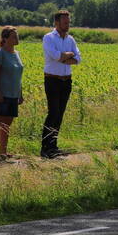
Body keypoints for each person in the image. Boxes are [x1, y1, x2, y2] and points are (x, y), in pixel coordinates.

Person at [41, 9, 81, 158]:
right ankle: (46, 148)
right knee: (53, 113)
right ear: (56, 22)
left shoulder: (70, 39)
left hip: (66, 81)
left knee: (60, 114)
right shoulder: (49, 38)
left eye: (69, 22)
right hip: (52, 80)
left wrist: (66, 56)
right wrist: (67, 56)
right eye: (65, 22)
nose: (68, 25)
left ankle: (53, 146)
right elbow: (56, 56)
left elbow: (78, 59)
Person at [0, 27, 25, 160]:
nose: (16, 38)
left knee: (6, 125)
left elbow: (18, 76)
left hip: (14, 94)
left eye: (17, 36)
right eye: (13, 36)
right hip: (1, 94)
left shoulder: (16, 54)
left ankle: (3, 152)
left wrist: (21, 93)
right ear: (5, 38)